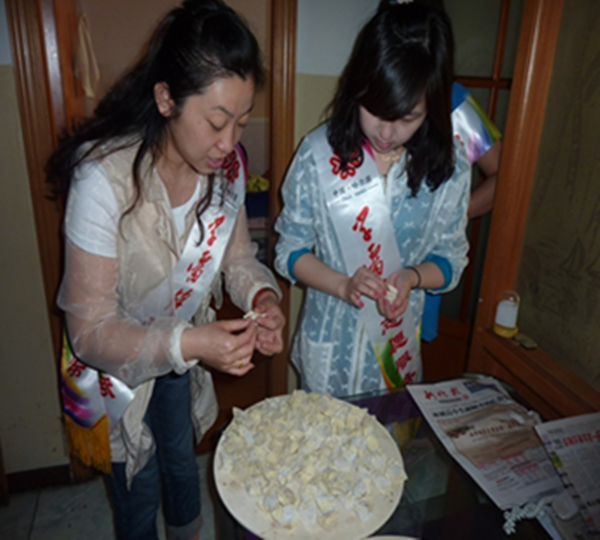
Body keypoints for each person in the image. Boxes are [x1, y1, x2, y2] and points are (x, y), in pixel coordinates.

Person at [45, 1, 285, 538]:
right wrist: (190, 343)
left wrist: (262, 299)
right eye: (216, 122)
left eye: (241, 122)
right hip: (112, 363)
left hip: (181, 342)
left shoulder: (226, 168)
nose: (229, 144)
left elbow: (237, 259)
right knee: (136, 479)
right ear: (165, 99)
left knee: (180, 456)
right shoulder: (103, 178)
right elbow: (90, 330)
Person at [274, 2, 470, 398]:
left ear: (433, 104)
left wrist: (412, 277)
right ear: (356, 88)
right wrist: (344, 285)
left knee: (387, 436)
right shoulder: (317, 154)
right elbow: (289, 252)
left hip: (395, 354)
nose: (386, 132)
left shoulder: (450, 170)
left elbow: (451, 261)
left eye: (408, 118)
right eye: (376, 111)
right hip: (329, 349)